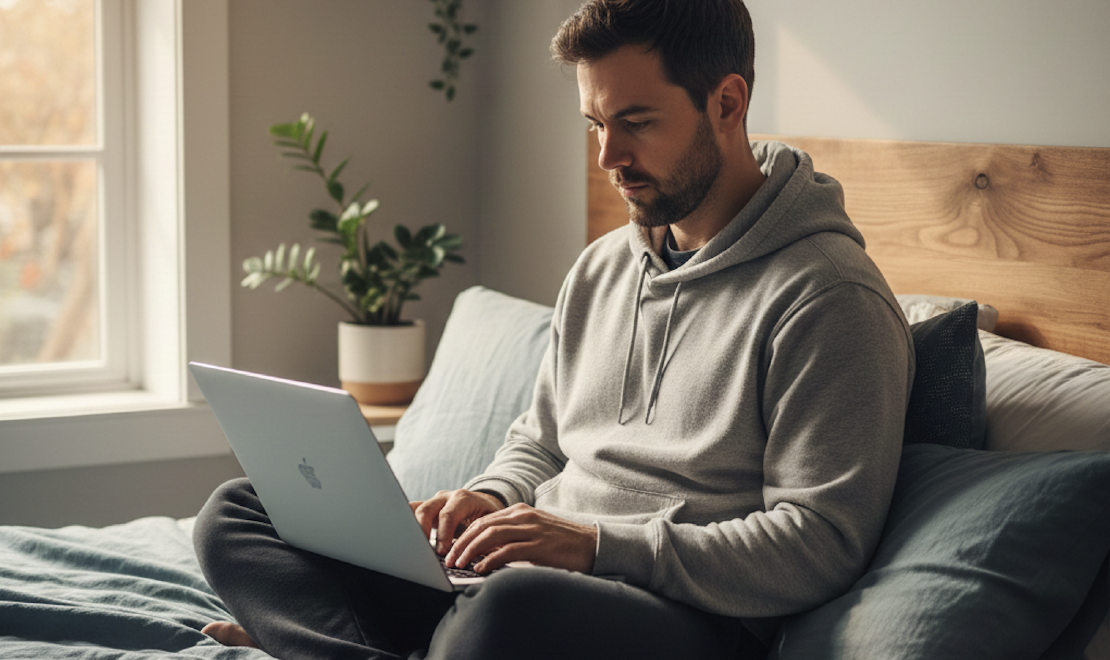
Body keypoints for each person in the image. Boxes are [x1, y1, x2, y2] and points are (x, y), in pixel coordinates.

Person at [194, 1, 914, 658]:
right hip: (522, 582)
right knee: (240, 512)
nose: (608, 158)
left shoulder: (829, 298)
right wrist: (492, 498)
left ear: (727, 102)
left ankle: (337, 642)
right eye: (596, 125)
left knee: (511, 608)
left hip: (678, 612)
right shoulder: (603, 267)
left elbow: (819, 544)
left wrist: (596, 547)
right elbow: (539, 441)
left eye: (636, 122)